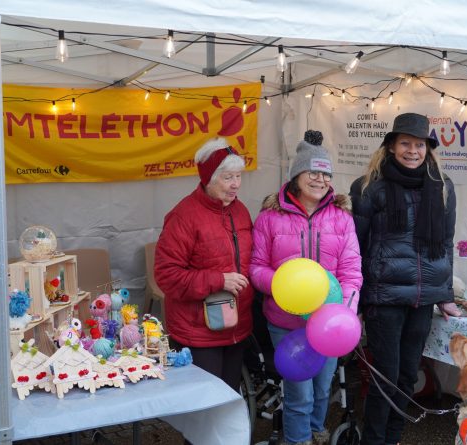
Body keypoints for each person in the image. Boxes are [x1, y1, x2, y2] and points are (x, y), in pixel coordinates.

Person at [349, 112, 463, 445]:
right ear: (391, 146)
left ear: (428, 149)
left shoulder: (443, 187)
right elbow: (354, 247)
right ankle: (373, 440)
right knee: (384, 376)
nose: (412, 151)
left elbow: (446, 243)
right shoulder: (369, 186)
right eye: (405, 144)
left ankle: (394, 438)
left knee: (407, 374)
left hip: (424, 298)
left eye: (419, 145)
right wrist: (355, 299)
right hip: (383, 296)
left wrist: (445, 294)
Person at [251, 130, 363, 445]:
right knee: (299, 391)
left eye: (326, 173)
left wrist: (346, 310)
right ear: (297, 175)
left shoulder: (342, 217)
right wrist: (282, 285)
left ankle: (314, 428)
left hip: (329, 323)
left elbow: (351, 271)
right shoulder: (270, 217)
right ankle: (297, 440)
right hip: (286, 322)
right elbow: (256, 267)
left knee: (322, 387)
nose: (320, 179)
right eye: (313, 172)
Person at [154, 137, 253, 393]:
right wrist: (219, 280)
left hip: (236, 327)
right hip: (198, 334)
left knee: (228, 401)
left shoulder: (240, 211)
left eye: (239, 176)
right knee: (203, 409)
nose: (235, 185)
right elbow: (167, 276)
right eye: (228, 178)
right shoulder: (183, 216)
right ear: (209, 178)